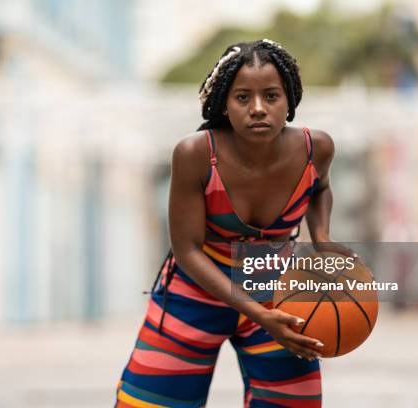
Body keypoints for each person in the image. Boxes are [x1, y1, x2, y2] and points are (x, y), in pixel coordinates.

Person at [116, 39, 337, 407]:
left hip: (274, 290)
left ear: (290, 100)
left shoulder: (317, 149)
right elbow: (187, 251)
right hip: (195, 292)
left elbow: (321, 187)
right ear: (224, 103)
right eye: (242, 98)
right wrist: (257, 314)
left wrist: (323, 240)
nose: (258, 109)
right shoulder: (196, 154)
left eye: (271, 96)